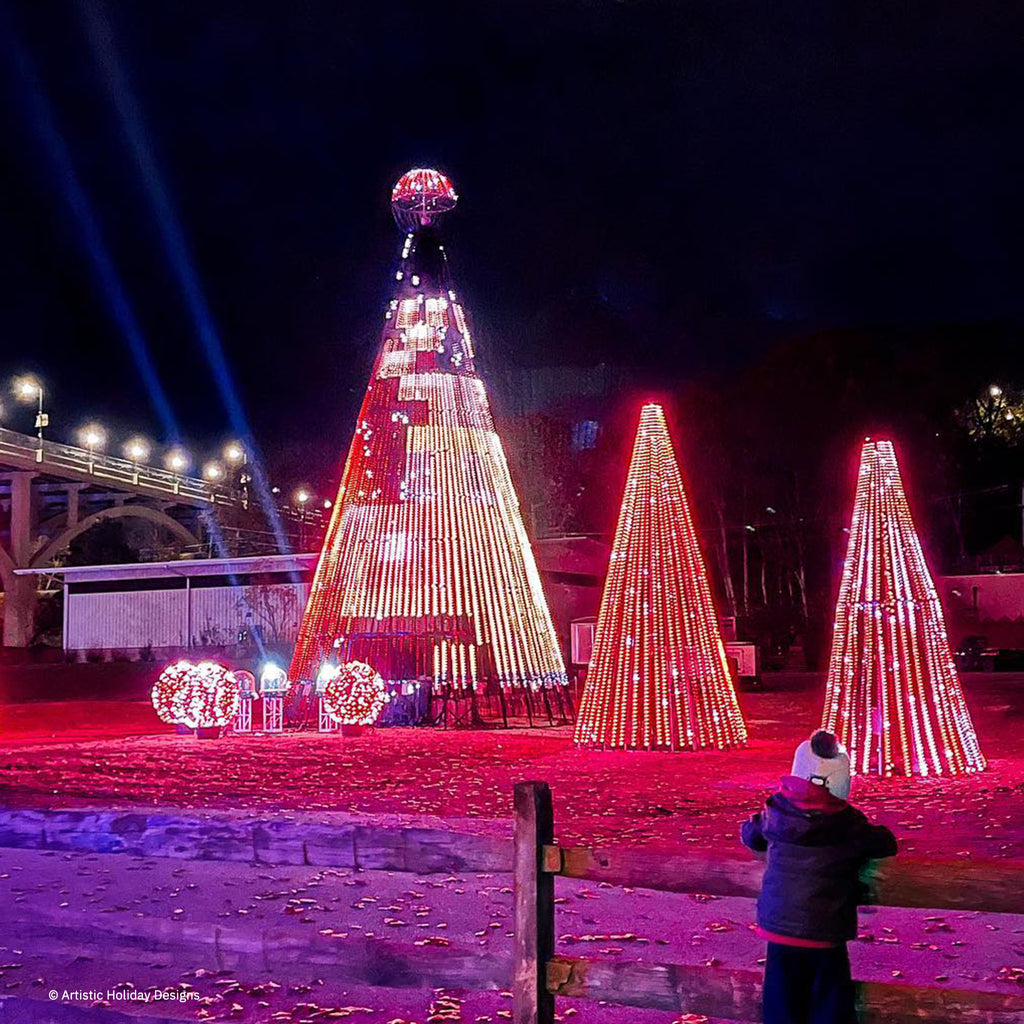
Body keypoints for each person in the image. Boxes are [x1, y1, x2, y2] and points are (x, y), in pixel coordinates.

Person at [740, 729, 897, 1024]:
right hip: (825, 931)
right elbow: (885, 843)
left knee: (781, 1004)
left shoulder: (775, 812)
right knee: (830, 1004)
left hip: (781, 928)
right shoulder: (848, 824)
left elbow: (751, 835)